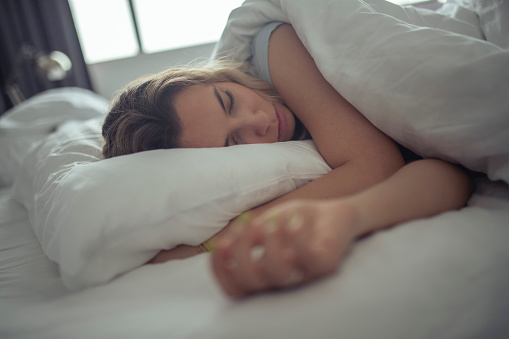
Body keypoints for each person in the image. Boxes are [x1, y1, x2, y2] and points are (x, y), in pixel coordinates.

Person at [102, 24, 472, 298]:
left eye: (228, 101)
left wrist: (213, 243)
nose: (260, 122)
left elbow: (376, 166)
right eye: (233, 143)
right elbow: (443, 173)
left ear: (216, 76)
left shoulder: (276, 48)